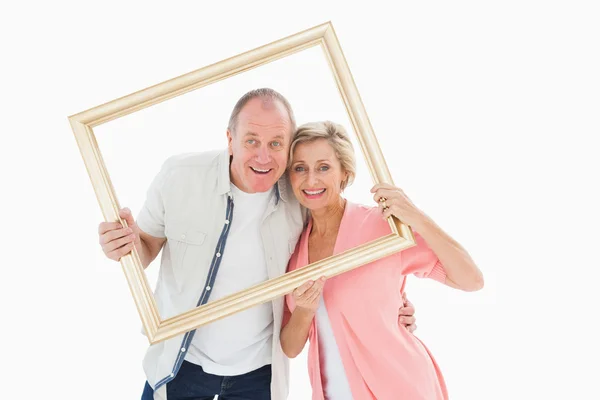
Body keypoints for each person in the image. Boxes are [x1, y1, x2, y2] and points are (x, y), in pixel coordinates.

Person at [96, 89, 419, 400]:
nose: (263, 157)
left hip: (258, 375)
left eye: (276, 143)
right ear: (230, 140)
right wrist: (125, 247)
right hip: (180, 363)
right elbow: (147, 246)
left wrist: (395, 303)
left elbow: (343, 242)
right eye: (252, 141)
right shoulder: (180, 176)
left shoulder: (301, 194)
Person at [281, 121, 484, 400]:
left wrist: (416, 216)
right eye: (300, 168)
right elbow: (290, 347)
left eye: (324, 167)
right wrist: (304, 310)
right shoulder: (294, 251)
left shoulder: (380, 225)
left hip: (402, 388)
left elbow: (471, 279)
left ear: (345, 173)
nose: (311, 180)